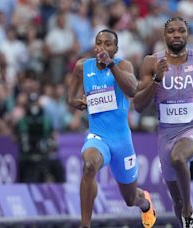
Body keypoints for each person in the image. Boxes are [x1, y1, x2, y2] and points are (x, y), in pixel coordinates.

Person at [133, 17, 193, 228]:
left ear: (188, 34)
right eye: (171, 31)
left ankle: (189, 207)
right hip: (166, 135)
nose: (176, 35)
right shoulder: (152, 62)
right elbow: (139, 105)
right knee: (175, 201)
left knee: (178, 158)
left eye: (181, 31)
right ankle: (188, 218)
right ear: (164, 35)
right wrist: (156, 80)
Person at [67, 29, 156, 228]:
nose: (103, 47)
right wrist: (76, 102)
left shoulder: (123, 65)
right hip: (98, 137)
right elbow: (70, 97)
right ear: (94, 45)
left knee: (130, 198)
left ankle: (146, 203)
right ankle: (85, 225)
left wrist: (111, 65)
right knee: (89, 165)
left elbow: (132, 90)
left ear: (115, 49)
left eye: (108, 44)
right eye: (99, 43)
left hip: (122, 142)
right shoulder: (83, 67)